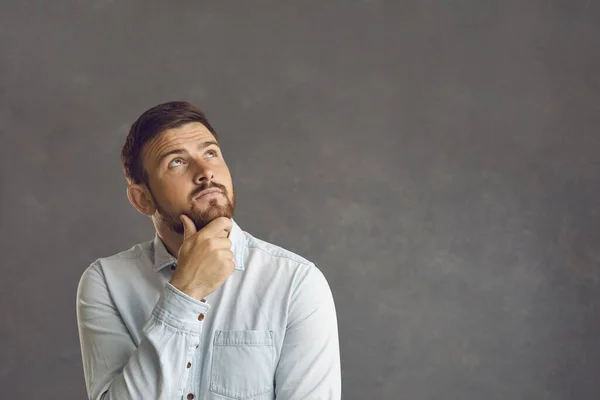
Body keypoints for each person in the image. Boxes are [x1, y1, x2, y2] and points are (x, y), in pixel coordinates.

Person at [75, 101, 341, 400]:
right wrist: (186, 293)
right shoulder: (106, 282)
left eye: (211, 153)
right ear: (142, 199)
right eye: (176, 161)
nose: (205, 172)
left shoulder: (296, 283)